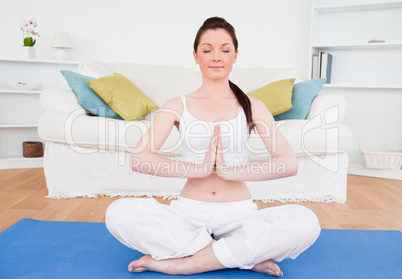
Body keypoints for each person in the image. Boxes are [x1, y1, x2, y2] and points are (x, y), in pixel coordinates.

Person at [105, 16, 321, 277]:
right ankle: (235, 256)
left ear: (236, 56)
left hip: (239, 214)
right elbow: (140, 158)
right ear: (196, 56)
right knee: (118, 212)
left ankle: (186, 263)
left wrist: (231, 172)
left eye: (225, 50)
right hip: (188, 213)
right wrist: (200, 168)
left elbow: (288, 163)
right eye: (207, 50)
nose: (216, 57)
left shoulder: (252, 106)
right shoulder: (177, 105)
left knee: (307, 222)